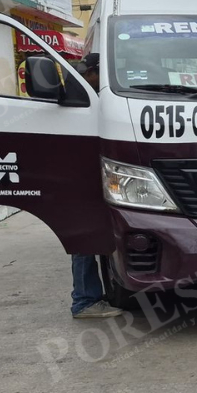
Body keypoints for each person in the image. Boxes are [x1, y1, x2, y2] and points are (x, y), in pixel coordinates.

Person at [69, 53, 122, 320]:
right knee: (85, 240)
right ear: (90, 73)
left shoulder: (95, 100)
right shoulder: (80, 101)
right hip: (81, 182)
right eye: (99, 72)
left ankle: (94, 296)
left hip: (94, 179)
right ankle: (84, 301)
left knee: (95, 239)